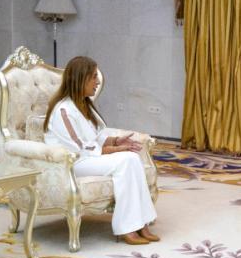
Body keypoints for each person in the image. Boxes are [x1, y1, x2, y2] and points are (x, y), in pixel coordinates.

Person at [44, 56, 159, 245]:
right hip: (72, 163)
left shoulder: (84, 104)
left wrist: (116, 140)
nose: (97, 82)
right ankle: (128, 228)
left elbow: (97, 136)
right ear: (80, 79)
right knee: (127, 159)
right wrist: (114, 149)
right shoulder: (64, 110)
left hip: (88, 158)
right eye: (93, 77)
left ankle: (141, 224)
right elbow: (80, 146)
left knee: (131, 158)